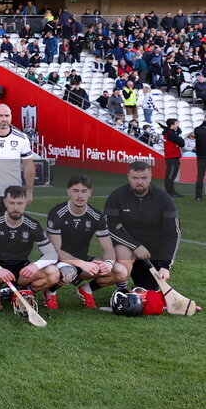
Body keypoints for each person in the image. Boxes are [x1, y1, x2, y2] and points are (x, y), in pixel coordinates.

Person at [0, 185, 60, 311]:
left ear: (26, 203)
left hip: (22, 269)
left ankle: (24, 292)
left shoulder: (32, 225)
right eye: (12, 203)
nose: (16, 207)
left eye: (20, 203)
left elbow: (52, 254)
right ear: (5, 203)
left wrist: (35, 265)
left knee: (53, 273)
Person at [45, 175, 124, 310]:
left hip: (83, 260)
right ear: (68, 191)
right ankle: (50, 292)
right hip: (58, 261)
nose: (80, 195)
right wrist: (82, 263)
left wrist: (109, 263)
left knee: (120, 271)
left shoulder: (96, 216)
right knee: (68, 272)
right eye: (75, 190)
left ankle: (86, 290)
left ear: (90, 193)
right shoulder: (57, 214)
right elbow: (56, 251)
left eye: (84, 191)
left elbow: (108, 249)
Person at [104, 161, 180, 291]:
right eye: (135, 178)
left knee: (148, 290)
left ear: (151, 176)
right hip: (128, 249)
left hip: (152, 255)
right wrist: (135, 246)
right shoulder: (117, 196)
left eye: (144, 178)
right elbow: (107, 228)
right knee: (123, 253)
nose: (139, 182)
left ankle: (141, 283)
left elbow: (173, 234)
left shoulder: (164, 199)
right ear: (128, 176)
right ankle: (122, 288)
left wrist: (165, 265)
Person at [0, 104, 35, 220]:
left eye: (7, 115)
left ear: (11, 117)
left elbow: (28, 165)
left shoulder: (21, 138)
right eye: (0, 115)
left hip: (15, 195)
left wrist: (29, 191)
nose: (4, 119)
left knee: (14, 231)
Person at [161, 118, 185, 196]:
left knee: (170, 174)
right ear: (172, 125)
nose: (178, 125)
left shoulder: (168, 133)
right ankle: (170, 191)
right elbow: (182, 143)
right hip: (172, 156)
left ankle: (170, 191)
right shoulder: (171, 134)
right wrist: (180, 139)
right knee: (171, 174)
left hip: (171, 156)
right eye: (176, 123)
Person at [188, 115, 206, 200]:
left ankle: (198, 196)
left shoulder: (197, 129)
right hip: (201, 155)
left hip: (201, 156)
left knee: (200, 176)